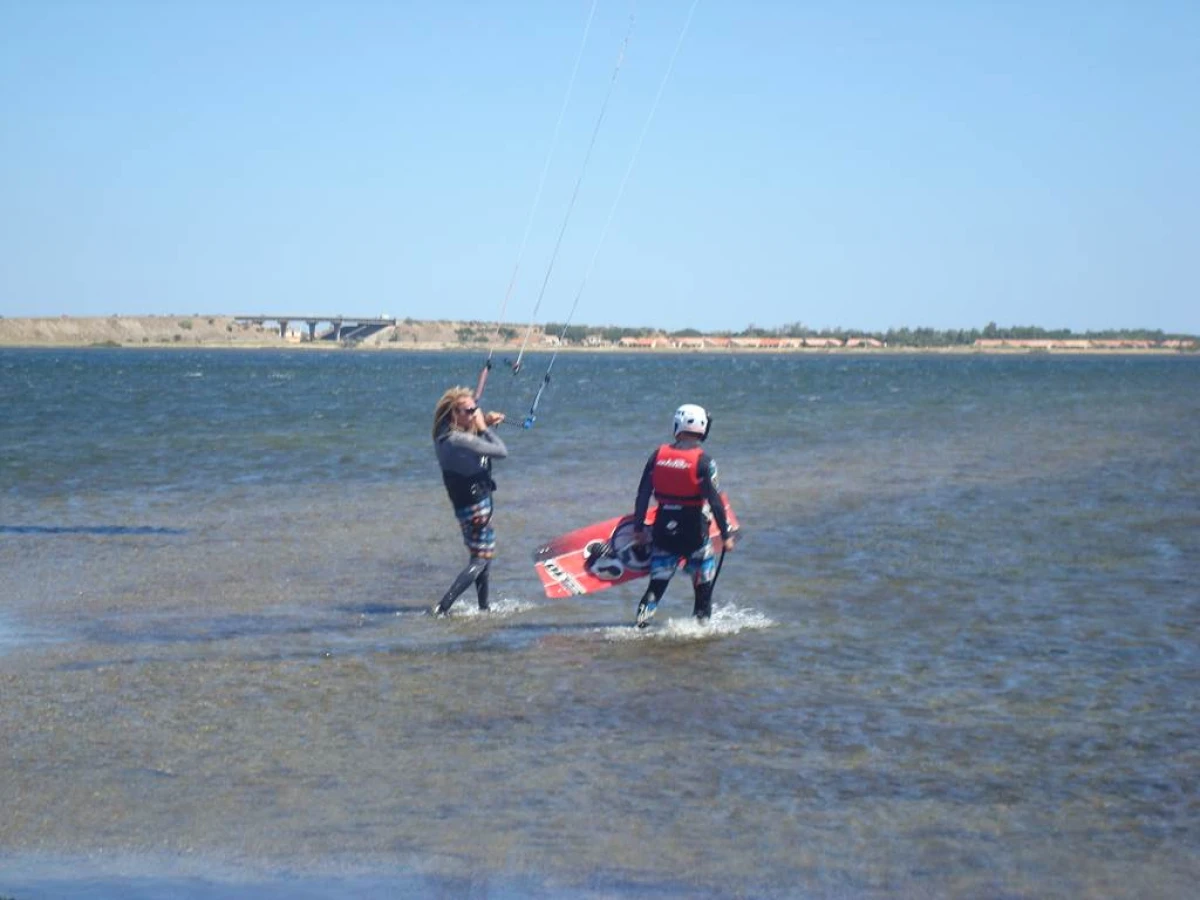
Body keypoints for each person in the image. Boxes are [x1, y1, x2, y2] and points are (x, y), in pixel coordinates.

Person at [631, 403, 736, 627]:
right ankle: (700, 634)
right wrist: (726, 536)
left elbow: (642, 495)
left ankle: (639, 629)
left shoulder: (657, 456)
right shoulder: (705, 462)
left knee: (656, 587)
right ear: (703, 429)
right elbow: (716, 502)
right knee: (702, 590)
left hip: (663, 532)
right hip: (695, 535)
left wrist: (638, 530)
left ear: (677, 425)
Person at [431, 386, 507, 615]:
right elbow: (501, 451)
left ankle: (484, 607)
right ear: (454, 414)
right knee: (481, 560)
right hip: (476, 507)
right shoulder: (458, 440)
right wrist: (485, 428)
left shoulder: (443, 434)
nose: (474, 413)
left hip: (465, 505)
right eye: (468, 410)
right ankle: (443, 607)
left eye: (475, 408)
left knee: (482, 556)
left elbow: (469, 438)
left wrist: (483, 422)